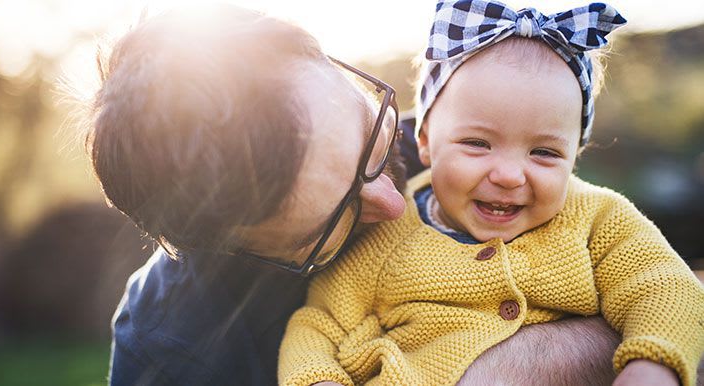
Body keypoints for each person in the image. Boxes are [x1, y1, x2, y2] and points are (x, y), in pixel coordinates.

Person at [86, 3, 622, 385]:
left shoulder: (470, 148)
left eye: (375, 137)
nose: (393, 203)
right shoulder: (172, 352)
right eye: (335, 219)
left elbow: (663, 289)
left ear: (332, 65)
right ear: (227, 245)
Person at [278, 1, 704, 386]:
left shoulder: (597, 218)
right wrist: (319, 380)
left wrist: (653, 363)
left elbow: (665, 285)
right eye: (478, 144)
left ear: (575, 156)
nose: (508, 175)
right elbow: (319, 326)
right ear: (425, 139)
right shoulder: (388, 233)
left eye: (544, 152)